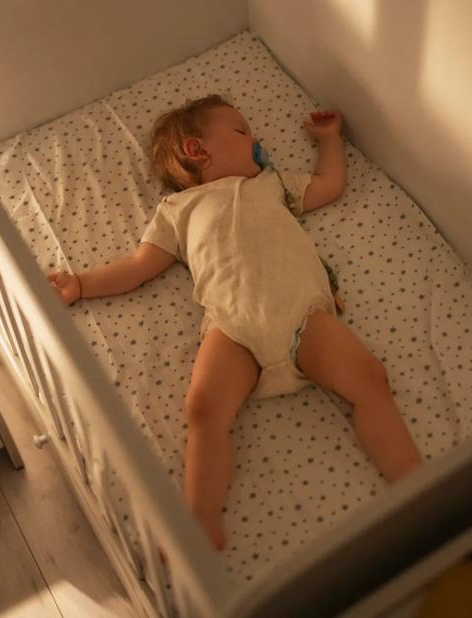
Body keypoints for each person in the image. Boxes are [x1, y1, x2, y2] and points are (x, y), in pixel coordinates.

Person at [48, 95, 421, 549]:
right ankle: (200, 518)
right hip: (233, 328)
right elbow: (138, 266)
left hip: (302, 314)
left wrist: (330, 140)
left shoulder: (273, 185)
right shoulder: (178, 211)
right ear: (197, 151)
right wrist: (82, 284)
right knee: (203, 410)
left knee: (370, 380)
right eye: (242, 132)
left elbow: (329, 185)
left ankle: (416, 489)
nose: (257, 140)